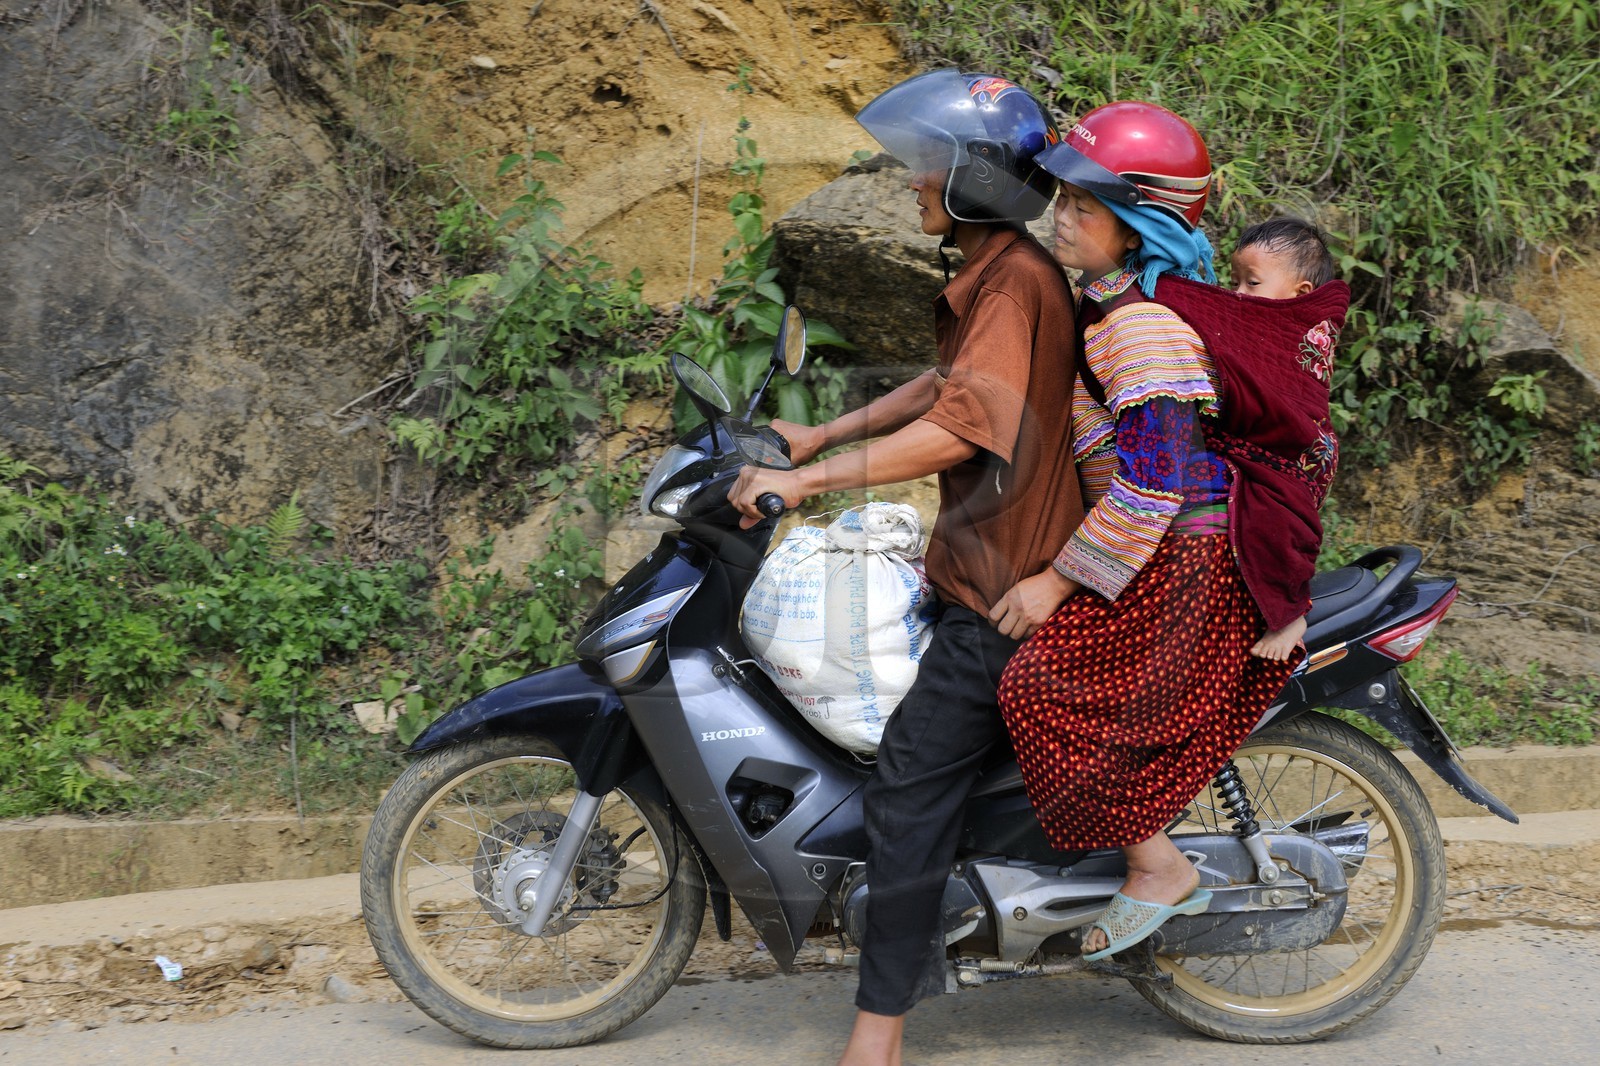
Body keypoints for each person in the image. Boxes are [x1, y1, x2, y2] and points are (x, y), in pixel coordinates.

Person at [728, 69, 1081, 1066]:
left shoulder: (1013, 278)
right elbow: (944, 382)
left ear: (975, 177)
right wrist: (817, 436)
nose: (912, 182)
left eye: (930, 166)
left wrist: (811, 484)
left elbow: (962, 426)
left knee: (909, 784)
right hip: (980, 566)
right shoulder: (995, 276)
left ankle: (876, 1035)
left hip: (1008, 586)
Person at [993, 100, 1315, 961]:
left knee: (1037, 690)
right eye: (1061, 198)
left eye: (1084, 207)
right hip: (1166, 550)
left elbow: (1158, 481)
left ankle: (1157, 863)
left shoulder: (1136, 328)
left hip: (1188, 561)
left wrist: (1057, 579)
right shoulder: (1105, 310)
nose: (1062, 216)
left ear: (1134, 230)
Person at [1225, 217, 1339, 660]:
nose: (1237, 294)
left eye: (1252, 282)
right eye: (1233, 280)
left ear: (1302, 295)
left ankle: (1292, 612)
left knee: (1274, 523)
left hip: (1301, 451)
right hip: (1274, 446)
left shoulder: (1297, 333)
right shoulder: (1255, 320)